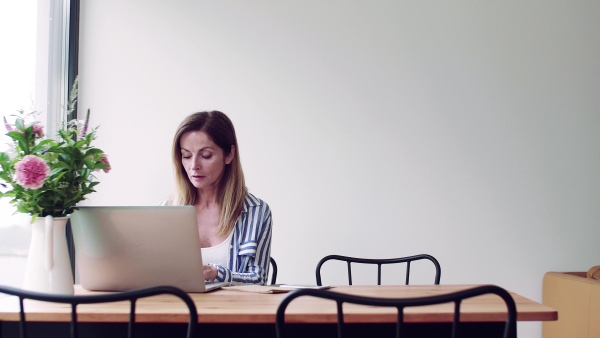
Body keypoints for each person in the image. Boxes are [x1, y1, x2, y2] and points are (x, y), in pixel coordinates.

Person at [165, 111, 272, 285]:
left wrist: (216, 274)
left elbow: (258, 279)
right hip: (177, 310)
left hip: (230, 311)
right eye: (186, 155)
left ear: (229, 154)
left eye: (206, 155)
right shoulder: (166, 211)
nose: (194, 166)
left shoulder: (256, 212)